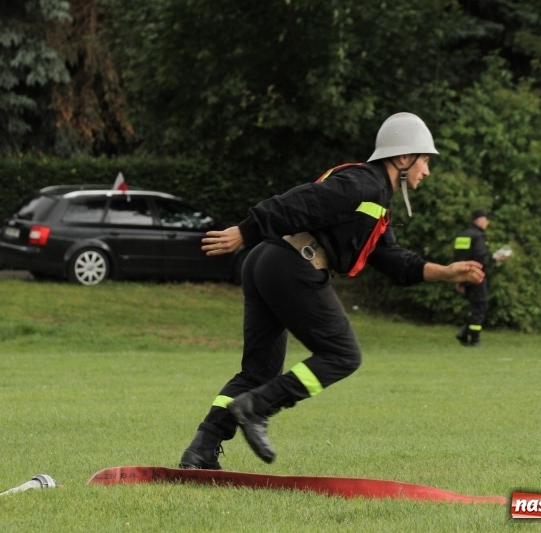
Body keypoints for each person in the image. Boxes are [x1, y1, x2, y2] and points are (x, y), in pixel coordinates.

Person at [178, 112, 486, 469]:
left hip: (269, 262)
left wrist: (446, 273)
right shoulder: (363, 183)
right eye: (425, 161)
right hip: (290, 264)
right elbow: (303, 201)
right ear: (404, 159)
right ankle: (257, 407)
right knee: (342, 355)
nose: (427, 171)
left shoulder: (376, 201)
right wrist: (246, 230)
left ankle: (200, 450)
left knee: (258, 373)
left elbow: (393, 260)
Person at [453, 209, 507, 347]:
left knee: (475, 307)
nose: (487, 222)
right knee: (480, 307)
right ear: (479, 219)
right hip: (477, 276)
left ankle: (464, 333)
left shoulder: (462, 236)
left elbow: (458, 259)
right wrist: (496, 258)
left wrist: (458, 280)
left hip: (464, 275)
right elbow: (482, 259)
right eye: (486, 219)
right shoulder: (477, 236)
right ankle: (474, 339)